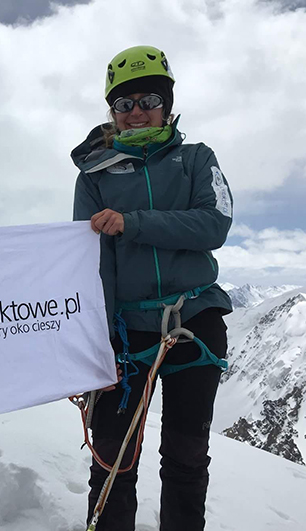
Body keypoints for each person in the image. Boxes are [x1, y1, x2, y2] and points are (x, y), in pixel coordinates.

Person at [71, 45, 234, 531]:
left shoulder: (196, 158)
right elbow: (90, 263)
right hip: (126, 334)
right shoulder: (94, 175)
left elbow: (214, 224)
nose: (137, 112)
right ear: (112, 113)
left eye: (147, 100)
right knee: (112, 461)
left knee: (186, 457)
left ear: (166, 102)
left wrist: (133, 223)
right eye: (124, 104)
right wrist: (94, 342)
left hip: (196, 322)